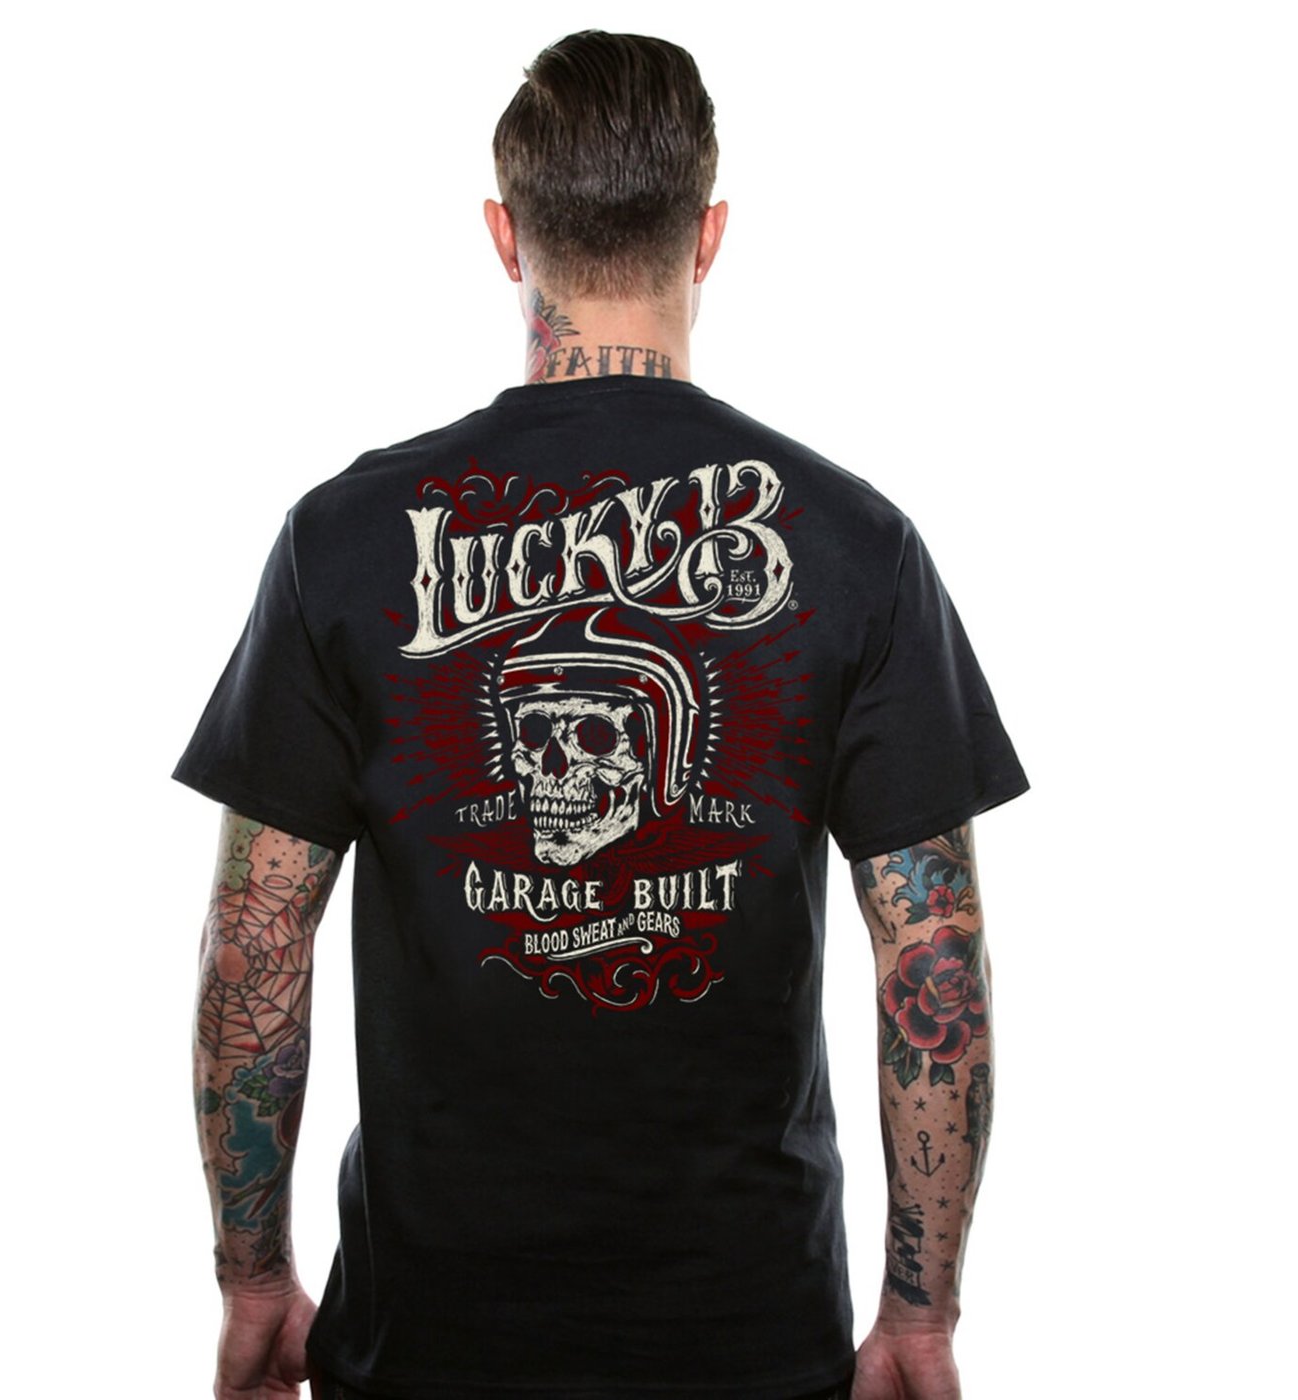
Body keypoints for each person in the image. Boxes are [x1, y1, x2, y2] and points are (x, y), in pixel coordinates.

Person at [177, 30, 1028, 1400]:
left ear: (505, 236)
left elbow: (256, 940)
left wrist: (252, 1277)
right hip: (751, 1341)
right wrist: (921, 1314)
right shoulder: (856, 544)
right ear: (711, 236)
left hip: (429, 1344)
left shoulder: (342, 538)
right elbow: (934, 961)